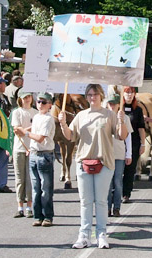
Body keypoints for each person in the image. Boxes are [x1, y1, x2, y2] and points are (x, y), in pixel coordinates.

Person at [59, 84, 128, 249]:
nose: (92, 97)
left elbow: (121, 136)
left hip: (104, 162)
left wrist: (121, 121)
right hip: (84, 162)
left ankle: (101, 234)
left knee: (101, 201)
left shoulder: (110, 115)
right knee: (85, 201)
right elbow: (70, 136)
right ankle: (84, 235)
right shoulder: (81, 115)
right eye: (89, 94)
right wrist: (63, 124)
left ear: (101, 95)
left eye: (95, 94)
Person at [14, 92, 55, 227]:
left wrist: (25, 133)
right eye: (38, 102)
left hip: (45, 155)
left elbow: (40, 137)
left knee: (45, 188)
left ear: (49, 104)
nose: (40, 104)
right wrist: (22, 129)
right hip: (34, 153)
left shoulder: (49, 119)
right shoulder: (37, 116)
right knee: (36, 187)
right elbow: (34, 128)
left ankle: (47, 216)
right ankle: (38, 216)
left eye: (44, 102)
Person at [11, 89, 38, 218]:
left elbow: (25, 130)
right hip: (19, 148)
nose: (27, 99)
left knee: (30, 179)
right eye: (24, 97)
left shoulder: (36, 113)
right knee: (19, 179)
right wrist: (30, 129)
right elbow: (16, 130)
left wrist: (24, 130)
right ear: (20, 99)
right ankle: (19, 206)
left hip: (32, 148)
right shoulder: (16, 112)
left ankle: (29, 206)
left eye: (28, 96)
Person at [105, 93, 133, 217]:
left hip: (119, 154)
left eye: (114, 104)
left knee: (117, 182)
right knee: (107, 183)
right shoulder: (104, 117)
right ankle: (107, 207)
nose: (112, 106)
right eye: (110, 104)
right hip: (106, 154)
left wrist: (129, 154)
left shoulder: (124, 118)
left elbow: (128, 137)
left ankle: (117, 207)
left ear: (118, 105)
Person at [122, 86, 145, 203]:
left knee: (130, 170)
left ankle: (126, 193)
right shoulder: (118, 109)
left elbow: (141, 128)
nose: (129, 95)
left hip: (134, 144)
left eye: (131, 93)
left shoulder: (138, 110)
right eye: (127, 93)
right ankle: (116, 192)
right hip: (119, 144)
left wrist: (143, 144)